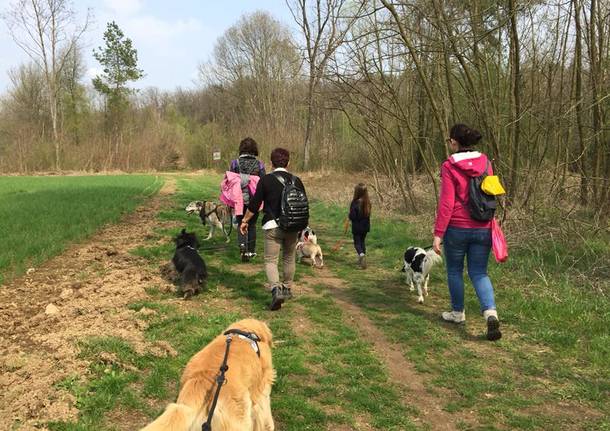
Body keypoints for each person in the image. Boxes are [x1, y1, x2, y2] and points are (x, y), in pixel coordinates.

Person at [433, 123, 502, 341]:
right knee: (479, 272)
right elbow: (490, 193)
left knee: (454, 270)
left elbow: (446, 203)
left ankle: (457, 313)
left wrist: (438, 234)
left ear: (454, 142)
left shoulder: (449, 166)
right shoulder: (486, 163)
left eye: (449, 140)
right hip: (483, 226)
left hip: (457, 227)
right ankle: (490, 312)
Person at [239, 148, 306, 311]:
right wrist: (302, 226)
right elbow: (303, 205)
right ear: (288, 163)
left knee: (271, 260)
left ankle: (276, 290)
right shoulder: (297, 180)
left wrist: (245, 221)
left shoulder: (266, 180)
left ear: (271, 163)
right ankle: (287, 288)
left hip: (272, 226)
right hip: (292, 226)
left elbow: (254, 204)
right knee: (289, 257)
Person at [229, 137, 265, 262]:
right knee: (253, 225)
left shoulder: (235, 163)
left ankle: (242, 248)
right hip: (255, 199)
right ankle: (251, 250)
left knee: (241, 223)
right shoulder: (259, 164)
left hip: (239, 199)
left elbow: (230, 180)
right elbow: (263, 182)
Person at [348, 183, 371, 269]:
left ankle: (361, 255)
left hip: (357, 227)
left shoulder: (355, 203)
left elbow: (353, 216)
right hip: (365, 226)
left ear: (356, 192)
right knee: (362, 242)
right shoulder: (368, 202)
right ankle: (362, 258)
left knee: (357, 243)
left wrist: (349, 215)